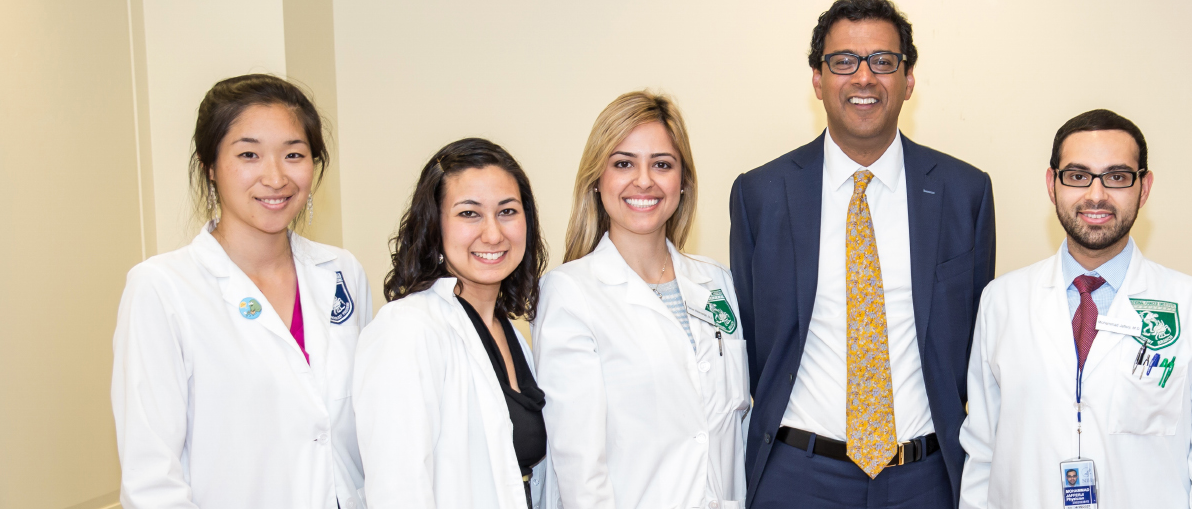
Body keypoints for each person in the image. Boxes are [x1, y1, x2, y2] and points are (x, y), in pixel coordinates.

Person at [729, 0, 996, 509]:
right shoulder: (760, 193)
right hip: (796, 476)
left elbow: (974, 340)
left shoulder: (966, 193)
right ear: (818, 79)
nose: (864, 77)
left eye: (883, 61)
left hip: (926, 479)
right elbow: (755, 339)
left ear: (908, 78)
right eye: (844, 62)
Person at [958, 109, 1192, 509]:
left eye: (1117, 177)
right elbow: (982, 452)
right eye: (1078, 176)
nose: (1096, 195)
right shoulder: (1001, 302)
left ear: (1144, 188)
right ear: (1051, 183)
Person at [111, 74, 367, 508]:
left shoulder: (340, 272)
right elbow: (151, 477)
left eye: (294, 154)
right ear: (209, 166)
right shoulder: (163, 288)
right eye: (249, 154)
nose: (275, 176)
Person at [534, 91, 749, 509]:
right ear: (597, 180)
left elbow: (733, 430)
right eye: (623, 163)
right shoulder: (570, 293)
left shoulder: (716, 283)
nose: (644, 180)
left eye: (662, 164)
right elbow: (580, 467)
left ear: (683, 182)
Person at [355, 138, 554, 508]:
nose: (493, 234)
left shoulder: (510, 332)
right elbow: (398, 491)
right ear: (434, 225)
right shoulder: (408, 330)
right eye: (469, 214)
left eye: (507, 211)